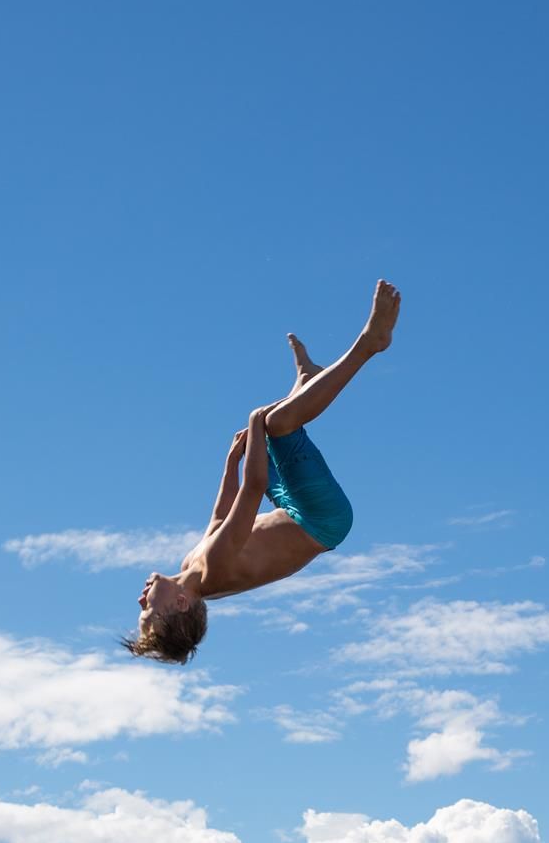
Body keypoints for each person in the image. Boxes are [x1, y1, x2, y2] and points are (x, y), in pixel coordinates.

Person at [123, 280, 401, 663]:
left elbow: (222, 515)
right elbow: (252, 491)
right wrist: (255, 422)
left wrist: (230, 461)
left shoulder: (192, 566)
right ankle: (370, 344)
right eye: (147, 609)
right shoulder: (213, 570)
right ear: (181, 604)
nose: (141, 597)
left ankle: (306, 381)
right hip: (321, 519)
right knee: (275, 425)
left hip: (290, 508)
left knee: (265, 439)